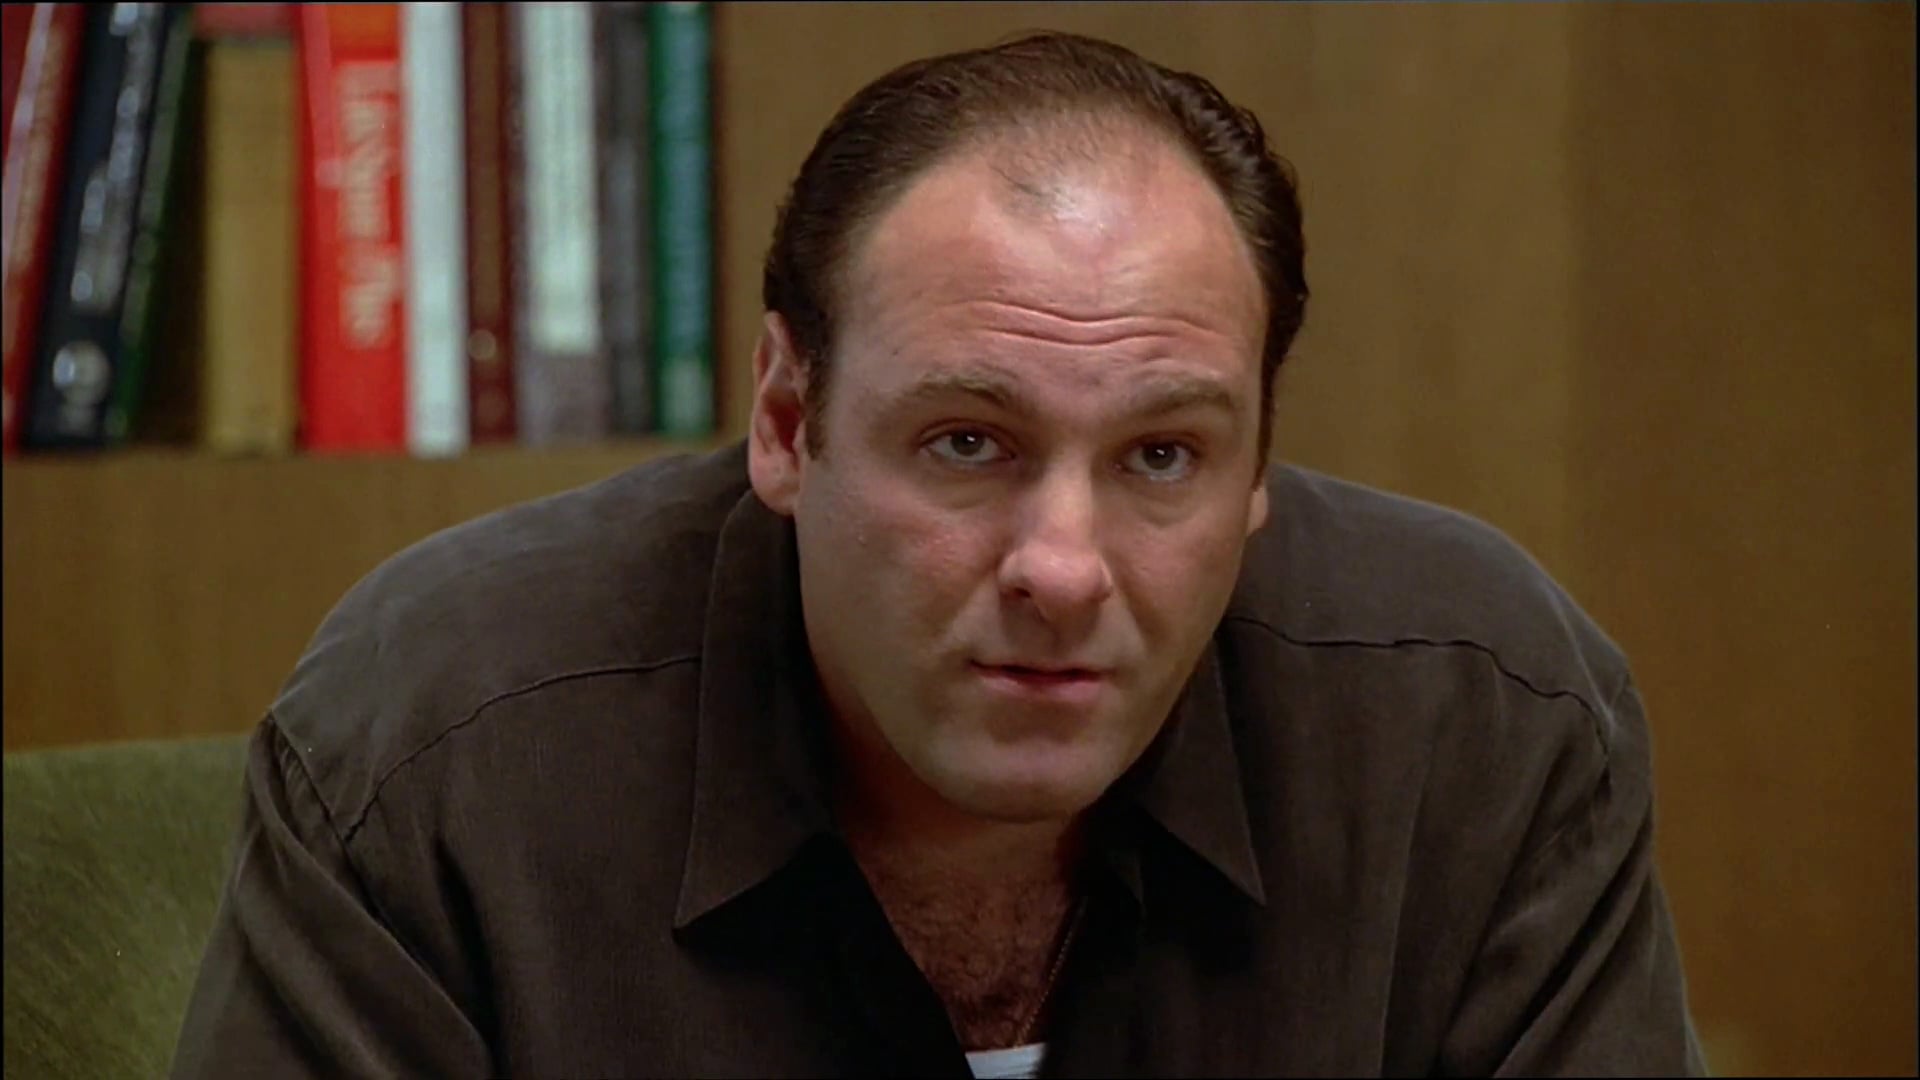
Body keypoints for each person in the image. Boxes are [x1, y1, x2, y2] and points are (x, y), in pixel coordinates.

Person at [171, 31, 1706, 1079]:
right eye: (968, 443)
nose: (1061, 566)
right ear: (788, 420)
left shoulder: (1490, 725)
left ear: (1257, 473)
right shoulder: (437, 747)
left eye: (1162, 457)